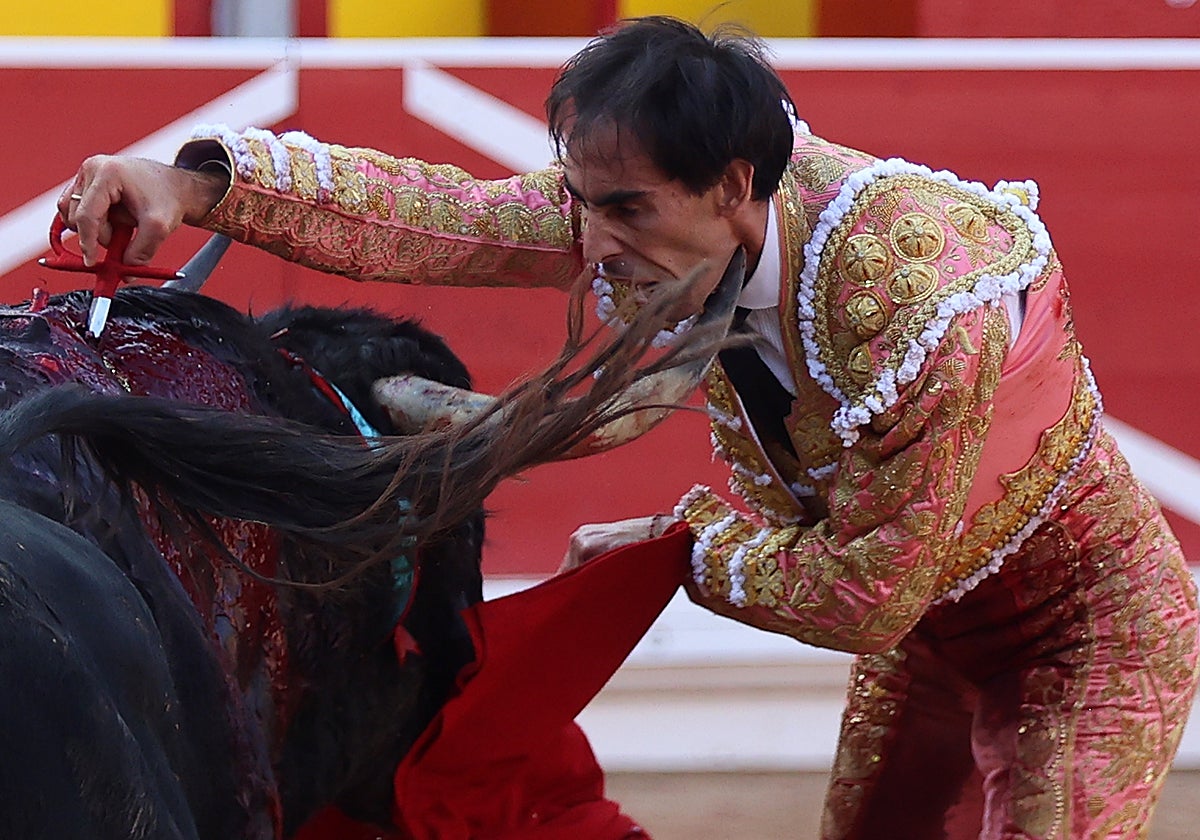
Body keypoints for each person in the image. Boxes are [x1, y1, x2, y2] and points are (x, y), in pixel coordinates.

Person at [59, 15, 1198, 839]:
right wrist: (197, 184)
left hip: (1087, 629)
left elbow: (867, 594)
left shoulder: (912, 289)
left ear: (736, 183)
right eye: (585, 205)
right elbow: (446, 219)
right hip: (931, 644)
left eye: (624, 212)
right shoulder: (676, 213)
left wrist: (691, 548)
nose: (595, 244)